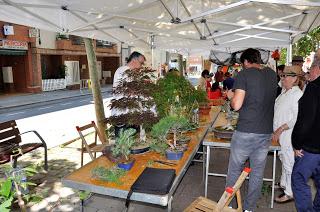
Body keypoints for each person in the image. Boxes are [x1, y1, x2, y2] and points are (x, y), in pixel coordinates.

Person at [226, 48, 277, 212]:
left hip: (246, 131)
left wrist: (230, 97)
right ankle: (248, 209)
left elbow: (237, 104)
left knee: (234, 170)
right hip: (265, 131)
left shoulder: (244, 74)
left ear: (246, 62)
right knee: (256, 173)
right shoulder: (271, 74)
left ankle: (230, 206)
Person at [291, 53, 320, 212]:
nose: (309, 72)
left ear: (317, 69)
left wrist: (296, 143)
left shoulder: (313, 88)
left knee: (298, 179)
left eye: (311, 69)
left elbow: (305, 120)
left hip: (311, 148)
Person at [272, 66, 303, 203]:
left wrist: (280, 129)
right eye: (282, 76)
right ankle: (284, 184)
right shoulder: (285, 92)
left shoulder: (296, 94)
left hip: (288, 133)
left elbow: (296, 118)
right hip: (281, 134)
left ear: (295, 79)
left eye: (285, 76)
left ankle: (290, 193)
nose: (282, 79)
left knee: (289, 162)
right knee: (283, 159)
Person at [112, 51, 146, 136]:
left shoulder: (130, 72)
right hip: (123, 114)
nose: (142, 66)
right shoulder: (123, 71)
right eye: (141, 63)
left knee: (132, 142)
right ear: (134, 60)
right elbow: (130, 91)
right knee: (123, 143)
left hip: (130, 114)